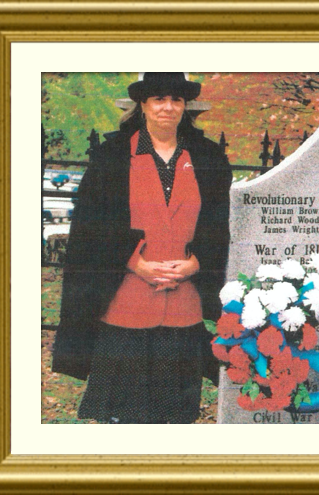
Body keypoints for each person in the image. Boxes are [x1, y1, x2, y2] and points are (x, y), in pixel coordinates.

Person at [51, 72, 232, 424]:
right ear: (144, 105)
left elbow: (222, 222)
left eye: (176, 99)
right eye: (159, 98)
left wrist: (197, 263)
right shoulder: (113, 155)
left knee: (174, 418)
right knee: (124, 418)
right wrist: (136, 262)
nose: (168, 106)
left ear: (185, 106)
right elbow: (91, 225)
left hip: (184, 304)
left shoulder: (208, 157)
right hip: (125, 304)